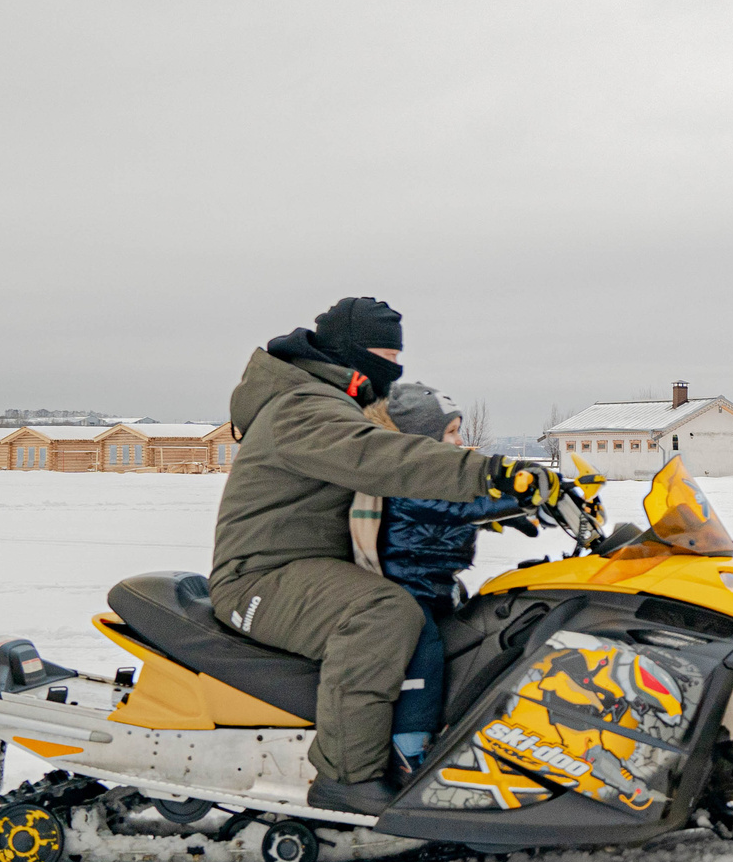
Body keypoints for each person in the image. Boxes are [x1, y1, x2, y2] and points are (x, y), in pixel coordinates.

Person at [208, 298, 559, 815]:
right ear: (350, 353)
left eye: (398, 354)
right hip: (262, 577)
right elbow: (380, 458)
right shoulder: (302, 407)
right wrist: (487, 473)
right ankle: (348, 778)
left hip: (307, 566)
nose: (391, 366)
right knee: (383, 612)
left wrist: (500, 507)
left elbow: (392, 498)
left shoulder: (325, 401)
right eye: (381, 352)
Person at [369, 382, 529, 769]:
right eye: (451, 432)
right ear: (424, 439)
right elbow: (457, 507)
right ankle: (410, 747)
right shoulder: (410, 476)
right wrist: (522, 497)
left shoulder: (430, 476)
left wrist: (511, 517)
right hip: (406, 587)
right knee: (425, 651)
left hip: (435, 584)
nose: (460, 442)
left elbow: (443, 520)